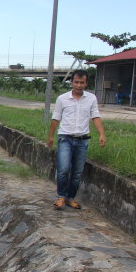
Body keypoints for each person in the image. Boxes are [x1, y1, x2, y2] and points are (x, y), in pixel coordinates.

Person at [47, 70, 106, 210]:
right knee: (63, 169)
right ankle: (61, 196)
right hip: (65, 139)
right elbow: (56, 118)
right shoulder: (62, 99)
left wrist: (102, 134)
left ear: (86, 83)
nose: (79, 85)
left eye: (82, 83)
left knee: (77, 172)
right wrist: (50, 136)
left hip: (82, 140)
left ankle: (70, 198)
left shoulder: (91, 98)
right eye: (76, 82)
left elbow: (95, 117)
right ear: (71, 82)